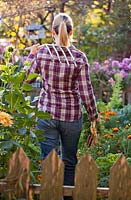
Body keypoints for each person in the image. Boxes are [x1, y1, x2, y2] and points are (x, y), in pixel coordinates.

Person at [26, 13, 98, 200]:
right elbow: (86, 91)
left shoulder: (42, 53)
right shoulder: (79, 58)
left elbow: (26, 80)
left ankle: (50, 196)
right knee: (69, 162)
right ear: (72, 31)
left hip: (46, 115)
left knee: (49, 162)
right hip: (72, 117)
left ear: (52, 32)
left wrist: (31, 55)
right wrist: (93, 117)